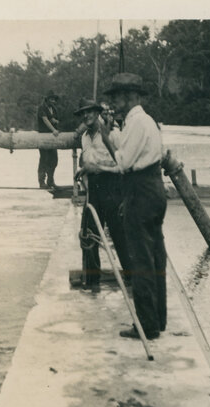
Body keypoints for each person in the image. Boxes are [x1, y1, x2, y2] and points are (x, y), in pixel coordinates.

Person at [98, 72, 167, 340]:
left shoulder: (137, 123)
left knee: (141, 260)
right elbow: (125, 146)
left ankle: (147, 325)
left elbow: (124, 162)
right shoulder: (140, 122)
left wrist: (108, 139)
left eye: (116, 98)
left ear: (130, 97)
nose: (114, 104)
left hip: (141, 191)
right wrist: (108, 135)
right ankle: (158, 320)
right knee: (155, 257)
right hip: (152, 189)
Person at [73, 98, 130, 290]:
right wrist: (85, 171)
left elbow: (124, 165)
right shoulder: (84, 138)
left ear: (98, 113)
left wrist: (96, 167)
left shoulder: (112, 135)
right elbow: (88, 163)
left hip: (113, 187)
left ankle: (132, 279)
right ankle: (91, 282)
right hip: (94, 189)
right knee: (88, 235)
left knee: (119, 234)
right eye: (83, 113)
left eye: (90, 112)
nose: (86, 116)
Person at [36, 90, 61, 189]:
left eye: (54, 99)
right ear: (47, 99)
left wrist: (56, 122)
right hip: (43, 137)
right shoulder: (42, 107)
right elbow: (45, 120)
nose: (53, 101)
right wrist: (54, 130)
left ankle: (50, 181)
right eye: (51, 99)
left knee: (54, 160)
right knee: (44, 159)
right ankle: (41, 182)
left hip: (52, 138)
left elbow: (54, 119)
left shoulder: (54, 109)